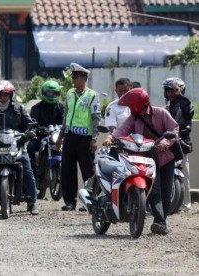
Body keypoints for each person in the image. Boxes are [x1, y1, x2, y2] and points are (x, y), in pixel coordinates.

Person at [103, 88, 179, 235]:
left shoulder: (161, 113)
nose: (130, 109)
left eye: (132, 106)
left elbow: (174, 129)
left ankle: (161, 222)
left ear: (138, 104)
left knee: (166, 192)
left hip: (165, 158)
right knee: (154, 190)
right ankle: (159, 222)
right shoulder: (134, 118)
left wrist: (164, 143)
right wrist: (110, 138)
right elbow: (122, 130)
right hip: (146, 158)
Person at [0, 80, 39, 215]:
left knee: (27, 168)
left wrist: (30, 132)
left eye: (6, 95)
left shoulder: (19, 109)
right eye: (0, 95)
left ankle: (32, 202)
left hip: (17, 146)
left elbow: (29, 124)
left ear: (10, 96)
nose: (3, 97)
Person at [56, 63, 101, 211]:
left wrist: (94, 139)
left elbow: (96, 118)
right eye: (72, 77)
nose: (73, 80)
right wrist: (60, 137)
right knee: (67, 169)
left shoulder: (92, 95)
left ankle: (90, 200)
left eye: (76, 77)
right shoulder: (69, 93)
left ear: (84, 78)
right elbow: (66, 117)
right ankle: (70, 201)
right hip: (70, 136)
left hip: (85, 138)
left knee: (88, 170)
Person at [27, 80, 64, 199]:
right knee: (30, 148)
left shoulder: (61, 107)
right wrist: (38, 128)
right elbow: (32, 121)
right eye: (49, 93)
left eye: (54, 93)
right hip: (41, 135)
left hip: (56, 135)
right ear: (43, 93)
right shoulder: (36, 107)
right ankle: (31, 173)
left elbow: (64, 121)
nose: (52, 96)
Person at [163, 77, 194, 212]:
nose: (170, 93)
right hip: (168, 143)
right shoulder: (167, 107)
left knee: (184, 175)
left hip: (181, 143)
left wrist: (180, 94)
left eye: (173, 91)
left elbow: (188, 114)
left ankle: (185, 204)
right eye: (168, 91)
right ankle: (169, 203)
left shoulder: (186, 104)